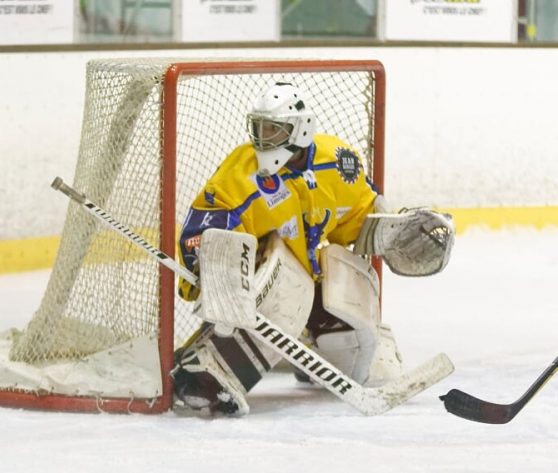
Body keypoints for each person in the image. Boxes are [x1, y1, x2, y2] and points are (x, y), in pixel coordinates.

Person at [172, 82, 454, 417]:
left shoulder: (337, 163)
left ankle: (316, 350)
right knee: (284, 284)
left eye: (273, 130)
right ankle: (207, 369)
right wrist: (215, 267)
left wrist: (391, 232)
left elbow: (359, 219)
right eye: (259, 128)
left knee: (357, 337)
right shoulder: (242, 173)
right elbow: (204, 228)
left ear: (301, 129)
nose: (263, 138)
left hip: (309, 284)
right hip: (269, 290)